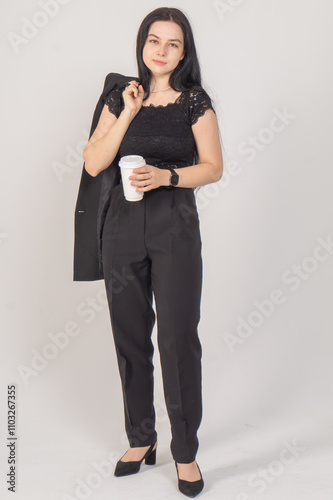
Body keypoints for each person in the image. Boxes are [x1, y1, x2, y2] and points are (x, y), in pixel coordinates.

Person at [82, 6, 223, 497]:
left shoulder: (194, 102)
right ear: (142, 44)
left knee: (178, 338)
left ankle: (185, 451)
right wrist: (129, 111)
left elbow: (214, 167)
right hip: (121, 225)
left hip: (174, 225)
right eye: (154, 41)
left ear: (184, 52)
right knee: (130, 335)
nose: (161, 51)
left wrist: (168, 177)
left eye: (173, 44)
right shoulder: (121, 95)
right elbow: (96, 159)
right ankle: (142, 438)